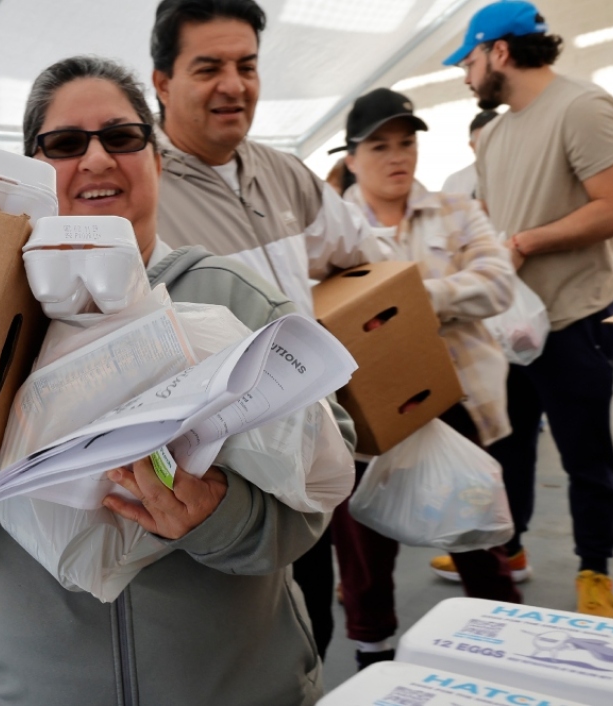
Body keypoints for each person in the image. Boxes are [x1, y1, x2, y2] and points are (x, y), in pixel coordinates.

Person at [0, 56, 348, 705]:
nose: (98, 159)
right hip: (37, 687)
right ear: (32, 172)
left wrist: (218, 513)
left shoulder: (236, 302)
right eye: (65, 144)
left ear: (156, 159)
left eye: (123, 137)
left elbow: (310, 504)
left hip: (234, 686)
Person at [147, 0, 389, 660]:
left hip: (305, 458)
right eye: (209, 68)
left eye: (247, 66)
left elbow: (366, 252)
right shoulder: (143, 188)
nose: (234, 85)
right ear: (162, 82)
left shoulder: (284, 174)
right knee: (230, 649)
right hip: (215, 483)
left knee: (307, 628)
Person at [441, 0, 613, 617]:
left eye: (469, 61)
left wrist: (529, 241)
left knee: (585, 452)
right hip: (510, 325)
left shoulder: (582, 108)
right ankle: (511, 548)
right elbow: (492, 224)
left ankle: (594, 570)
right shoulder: (498, 133)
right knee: (509, 448)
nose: (464, 74)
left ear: (499, 52)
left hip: (572, 317)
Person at [327, 88, 522, 670]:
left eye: (406, 142)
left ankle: (507, 652)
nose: (397, 156)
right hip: (366, 409)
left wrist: (404, 301)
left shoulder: (458, 211)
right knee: (362, 552)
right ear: (352, 157)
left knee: (480, 535)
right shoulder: (331, 229)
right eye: (380, 145)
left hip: (453, 399)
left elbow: (497, 282)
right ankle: (375, 661)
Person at [440, 109, 499, 197]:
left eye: (494, 139)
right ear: (472, 145)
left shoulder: (519, 176)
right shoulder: (454, 183)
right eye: (482, 142)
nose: (489, 147)